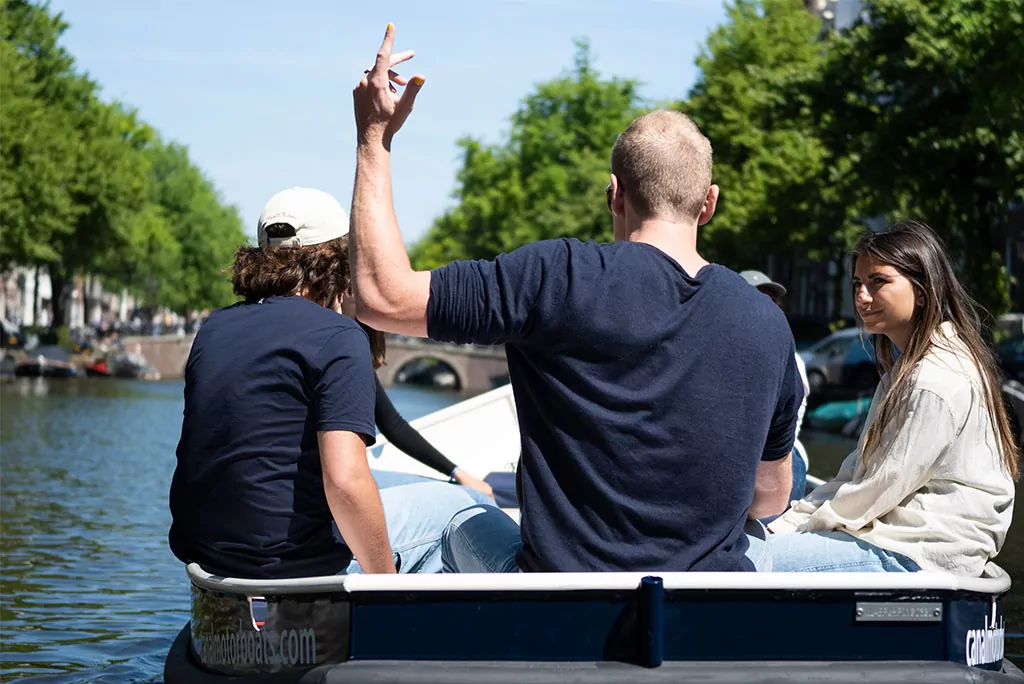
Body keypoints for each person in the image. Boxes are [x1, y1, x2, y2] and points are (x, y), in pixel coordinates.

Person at [347, 25, 804, 573]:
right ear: (709, 204)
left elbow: (380, 297)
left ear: (614, 193)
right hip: (703, 612)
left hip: (563, 608)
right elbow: (770, 498)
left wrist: (374, 137)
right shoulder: (767, 321)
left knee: (457, 518)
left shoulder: (556, 275)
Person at [169, 186, 488, 579]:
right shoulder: (336, 336)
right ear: (338, 260)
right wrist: (384, 585)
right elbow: (344, 481)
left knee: (388, 484)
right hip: (293, 563)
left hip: (212, 556)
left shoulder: (214, 327)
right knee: (468, 507)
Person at [767, 221, 1018, 575]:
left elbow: (878, 487)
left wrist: (789, 528)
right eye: (857, 284)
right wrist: (790, 520)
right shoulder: (906, 369)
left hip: (920, 549)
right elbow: (859, 472)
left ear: (923, 288)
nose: (861, 297)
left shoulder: (935, 379)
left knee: (754, 561)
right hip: (897, 536)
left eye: (878, 282)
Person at [739, 270, 810, 508]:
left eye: (771, 301)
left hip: (781, 456)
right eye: (757, 299)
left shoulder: (788, 358)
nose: (767, 309)